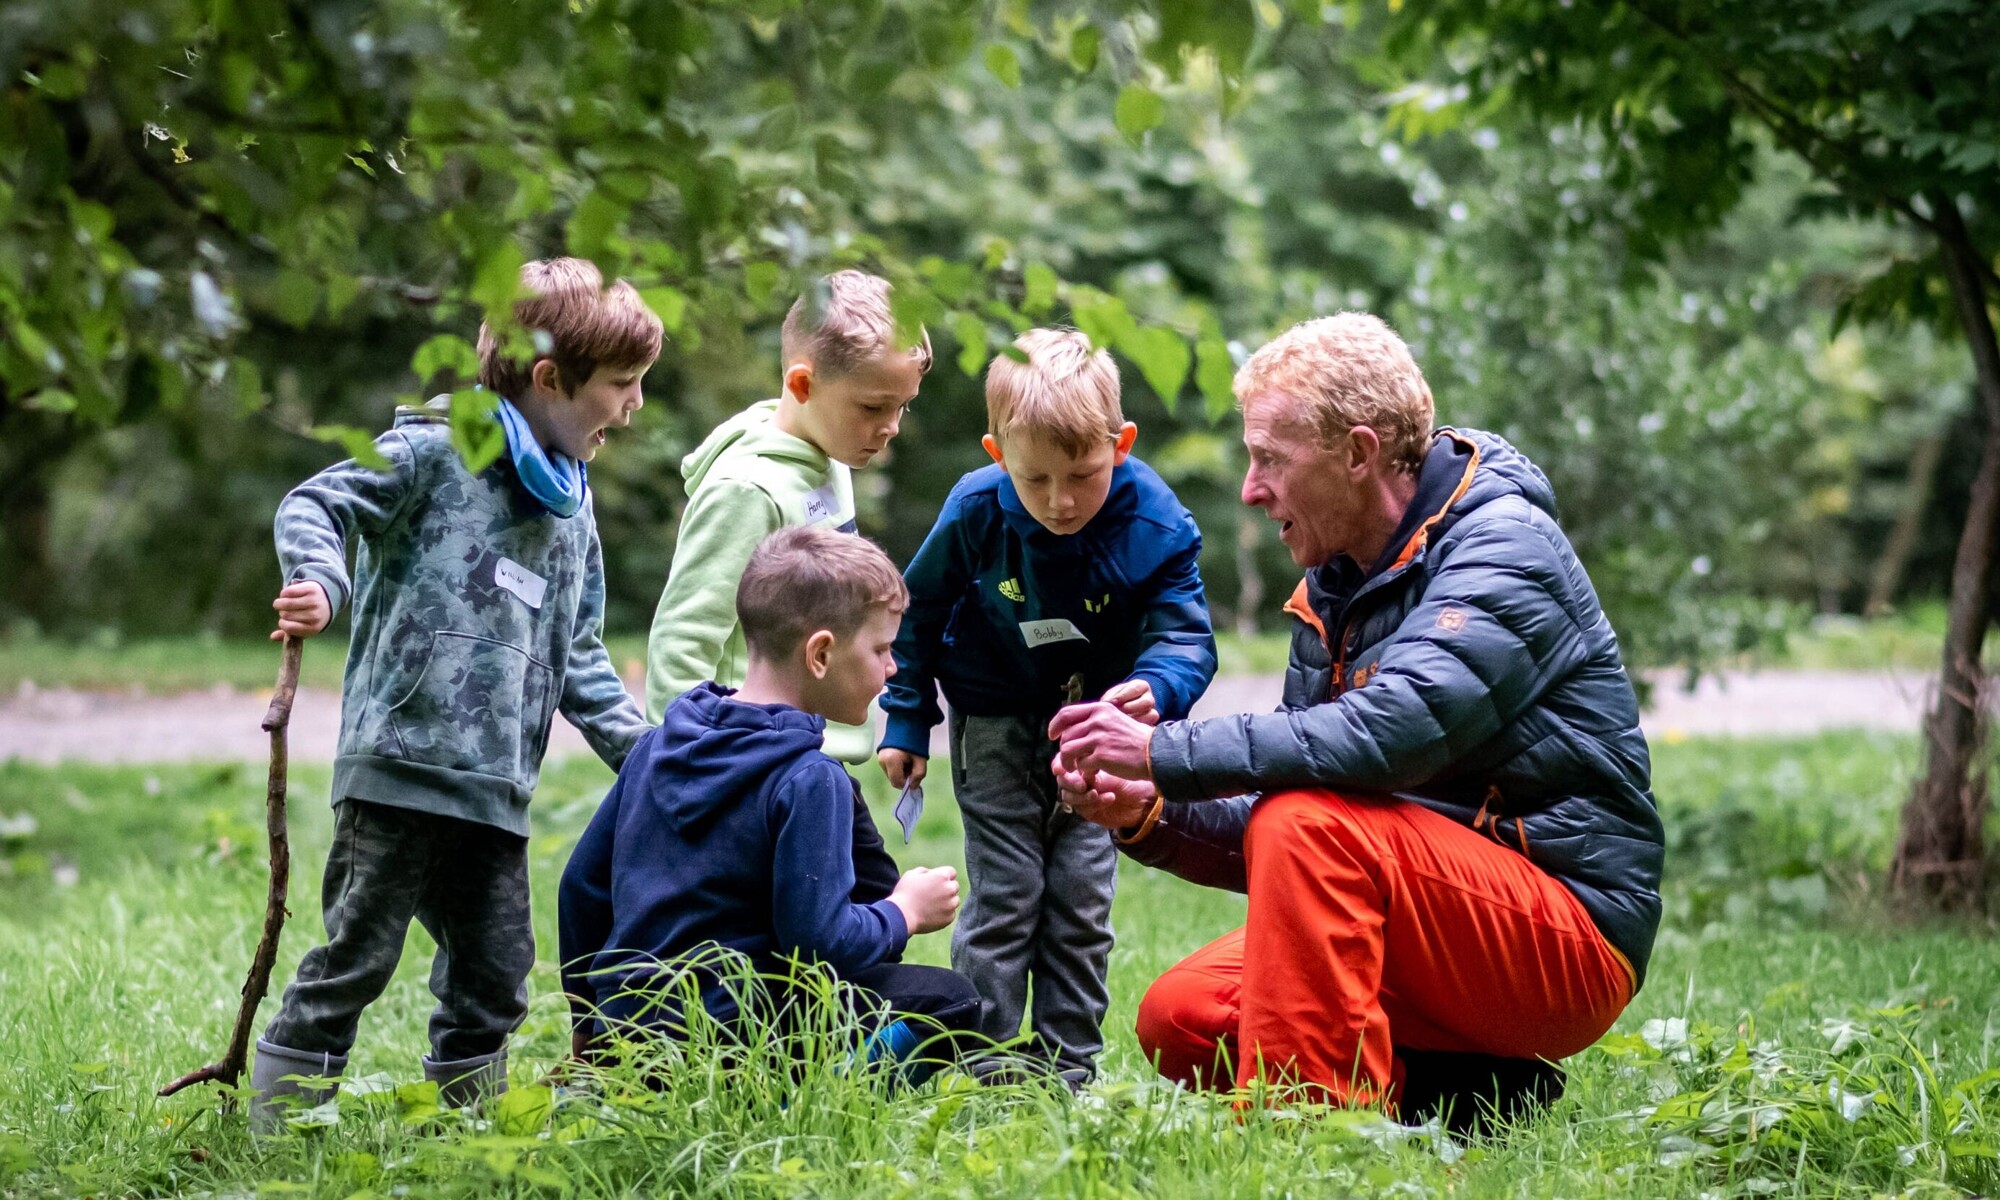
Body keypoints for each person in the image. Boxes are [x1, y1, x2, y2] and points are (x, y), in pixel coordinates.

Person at [1051, 313, 1663, 1122]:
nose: (1249, 487)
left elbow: (1393, 732)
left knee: (1311, 822)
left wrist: (1164, 749)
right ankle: (1472, 1098)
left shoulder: (1505, 547)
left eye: (1270, 458)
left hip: (1562, 934)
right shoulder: (1335, 586)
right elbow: (1287, 820)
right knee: (1184, 1016)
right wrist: (1152, 812)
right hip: (1424, 915)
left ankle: (1315, 1138)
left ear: (1358, 452)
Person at [251, 258, 661, 1130]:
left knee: (496, 972)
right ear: (551, 378)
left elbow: (579, 657)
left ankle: (467, 1137)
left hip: (494, 790)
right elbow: (314, 505)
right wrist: (323, 581)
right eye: (622, 385)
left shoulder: (572, 508)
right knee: (357, 958)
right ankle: (278, 1131)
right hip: (397, 772)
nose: (633, 406)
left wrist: (658, 755)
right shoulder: (432, 453)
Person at [878, 328, 1218, 1085]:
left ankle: (1071, 1069)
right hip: (992, 724)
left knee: (1078, 902)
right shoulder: (974, 510)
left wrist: (1158, 688)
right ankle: (988, 1064)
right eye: (1035, 481)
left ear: (1120, 445)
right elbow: (916, 612)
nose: (1060, 501)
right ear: (998, 456)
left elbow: (1187, 636)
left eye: (1083, 475)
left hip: (1100, 738)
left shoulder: (1156, 525)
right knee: (1006, 897)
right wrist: (907, 717)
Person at [561, 527, 975, 1080]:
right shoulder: (808, 778)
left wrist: (589, 1023)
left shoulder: (657, 746)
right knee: (951, 1003)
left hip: (629, 1041)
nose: (892, 668)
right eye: (880, 650)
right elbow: (822, 944)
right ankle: (787, 1105)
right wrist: (906, 911)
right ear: (822, 653)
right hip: (732, 1051)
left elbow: (581, 887)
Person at [645, 269, 931, 766]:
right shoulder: (745, 492)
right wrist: (680, 769)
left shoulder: (830, 459)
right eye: (873, 407)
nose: (890, 428)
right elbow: (683, 641)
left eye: (902, 407)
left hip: (816, 758)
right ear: (802, 384)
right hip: (749, 764)